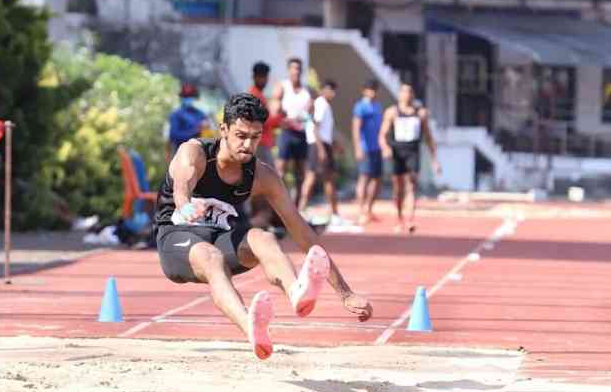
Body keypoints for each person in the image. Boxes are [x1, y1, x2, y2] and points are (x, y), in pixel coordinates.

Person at [154, 93, 373, 360]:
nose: (247, 145)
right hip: (178, 238)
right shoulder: (194, 153)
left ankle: (296, 292)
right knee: (210, 258)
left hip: (221, 239)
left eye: (255, 137)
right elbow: (182, 187)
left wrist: (345, 293)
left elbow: (301, 230)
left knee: (264, 238)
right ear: (223, 129)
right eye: (240, 135)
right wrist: (185, 207)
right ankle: (250, 327)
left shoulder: (262, 175)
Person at [378, 83, 441, 233]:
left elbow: (429, 137)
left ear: (413, 95)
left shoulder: (421, 114)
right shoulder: (392, 112)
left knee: (411, 185)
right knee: (398, 188)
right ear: (399, 95)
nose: (407, 95)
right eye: (404, 92)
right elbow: (382, 135)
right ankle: (399, 218)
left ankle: (410, 219)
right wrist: (385, 148)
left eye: (410, 92)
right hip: (397, 152)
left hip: (413, 151)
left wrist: (435, 160)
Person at [299, 80, 344, 225]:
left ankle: (334, 213)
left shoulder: (323, 105)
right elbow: (315, 128)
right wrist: (321, 149)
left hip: (322, 144)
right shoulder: (321, 104)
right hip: (318, 145)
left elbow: (324, 130)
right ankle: (302, 210)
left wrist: (334, 145)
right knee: (315, 177)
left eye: (335, 90)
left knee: (326, 178)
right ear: (324, 90)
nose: (334, 94)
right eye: (331, 90)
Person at [248, 61, 284, 228]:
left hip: (263, 143)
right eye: (263, 77)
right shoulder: (255, 96)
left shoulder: (258, 95)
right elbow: (262, 121)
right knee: (268, 181)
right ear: (257, 77)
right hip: (260, 144)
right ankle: (262, 217)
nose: (265, 80)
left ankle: (265, 217)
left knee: (263, 181)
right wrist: (279, 118)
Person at [273, 57, 312, 206]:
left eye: (299, 68)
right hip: (287, 132)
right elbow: (274, 108)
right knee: (280, 170)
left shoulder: (307, 89)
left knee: (300, 173)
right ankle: (279, 202)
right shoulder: (283, 86)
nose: (296, 71)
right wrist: (284, 118)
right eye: (293, 68)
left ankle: (296, 206)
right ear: (289, 70)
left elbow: (313, 108)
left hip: (302, 133)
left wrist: (310, 110)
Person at [352, 80, 384, 225]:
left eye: (374, 89)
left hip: (377, 147)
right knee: (364, 178)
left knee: (377, 179)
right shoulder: (360, 107)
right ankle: (360, 211)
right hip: (365, 147)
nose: (372, 92)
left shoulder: (378, 106)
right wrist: (358, 147)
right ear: (364, 90)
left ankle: (369, 209)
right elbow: (356, 128)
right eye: (370, 89)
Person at [167, 83, 208, 161]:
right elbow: (174, 135)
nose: (189, 99)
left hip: (201, 153)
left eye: (191, 97)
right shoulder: (176, 114)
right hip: (182, 154)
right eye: (186, 97)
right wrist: (196, 131)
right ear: (181, 98)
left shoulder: (201, 114)